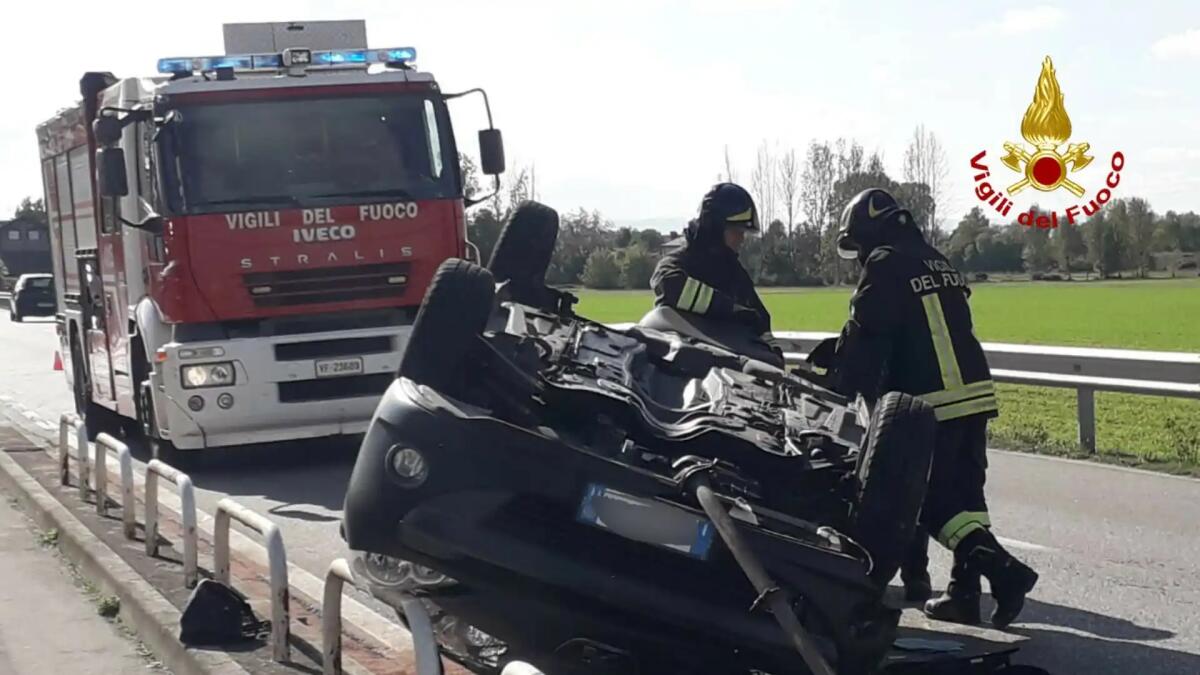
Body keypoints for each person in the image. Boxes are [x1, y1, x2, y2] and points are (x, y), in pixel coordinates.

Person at [825, 187, 1038, 628]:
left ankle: (1005, 572)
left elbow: (867, 338)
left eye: (857, 246)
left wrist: (838, 389)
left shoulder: (883, 264)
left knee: (920, 502)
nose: (859, 257)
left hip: (928, 402)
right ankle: (964, 594)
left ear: (868, 234)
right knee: (966, 499)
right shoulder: (934, 258)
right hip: (974, 394)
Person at [650, 182, 781, 358]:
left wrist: (773, 354)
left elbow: (759, 318)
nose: (741, 238)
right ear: (715, 229)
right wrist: (730, 309)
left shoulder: (734, 272)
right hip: (680, 373)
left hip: (726, 374)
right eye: (736, 231)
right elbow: (669, 285)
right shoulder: (679, 262)